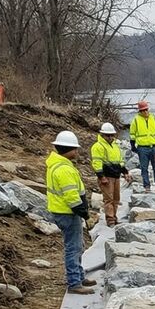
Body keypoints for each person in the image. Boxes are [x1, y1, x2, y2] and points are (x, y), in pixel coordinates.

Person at [45, 130, 96, 295]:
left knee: (77, 245)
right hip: (67, 213)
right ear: (69, 149)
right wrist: (83, 211)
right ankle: (74, 282)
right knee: (73, 247)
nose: (77, 152)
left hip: (63, 211)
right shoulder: (64, 169)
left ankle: (79, 276)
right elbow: (71, 195)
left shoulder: (59, 165)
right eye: (75, 149)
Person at [90, 122, 130, 227]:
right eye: (108, 135)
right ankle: (110, 219)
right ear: (102, 135)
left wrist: (125, 172)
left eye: (112, 135)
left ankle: (114, 217)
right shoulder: (98, 146)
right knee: (108, 199)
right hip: (107, 176)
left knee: (116, 199)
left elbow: (119, 161)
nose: (110, 137)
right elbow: (97, 163)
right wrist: (101, 176)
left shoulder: (115, 146)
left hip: (116, 175)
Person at [129, 100, 155, 191]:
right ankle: (147, 186)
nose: (145, 112)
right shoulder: (136, 121)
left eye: (146, 110)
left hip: (154, 147)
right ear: (140, 111)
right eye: (143, 110)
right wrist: (133, 146)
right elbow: (132, 134)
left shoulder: (154, 119)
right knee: (144, 168)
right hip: (142, 148)